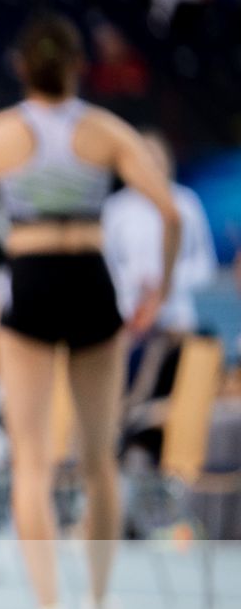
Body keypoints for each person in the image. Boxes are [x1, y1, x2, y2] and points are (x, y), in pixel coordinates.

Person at [0, 15, 179, 609]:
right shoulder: (105, 131)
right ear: (79, 66)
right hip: (89, 280)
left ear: (22, 68)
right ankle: (100, 602)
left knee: (31, 458)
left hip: (31, 279)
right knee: (98, 455)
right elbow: (167, 210)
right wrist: (158, 286)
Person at [102, 131, 215, 453]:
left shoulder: (183, 204)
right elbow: (107, 264)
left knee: (173, 395)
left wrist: (165, 284)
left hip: (173, 320)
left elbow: (202, 263)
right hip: (130, 322)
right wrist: (136, 285)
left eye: (156, 157)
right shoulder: (117, 210)